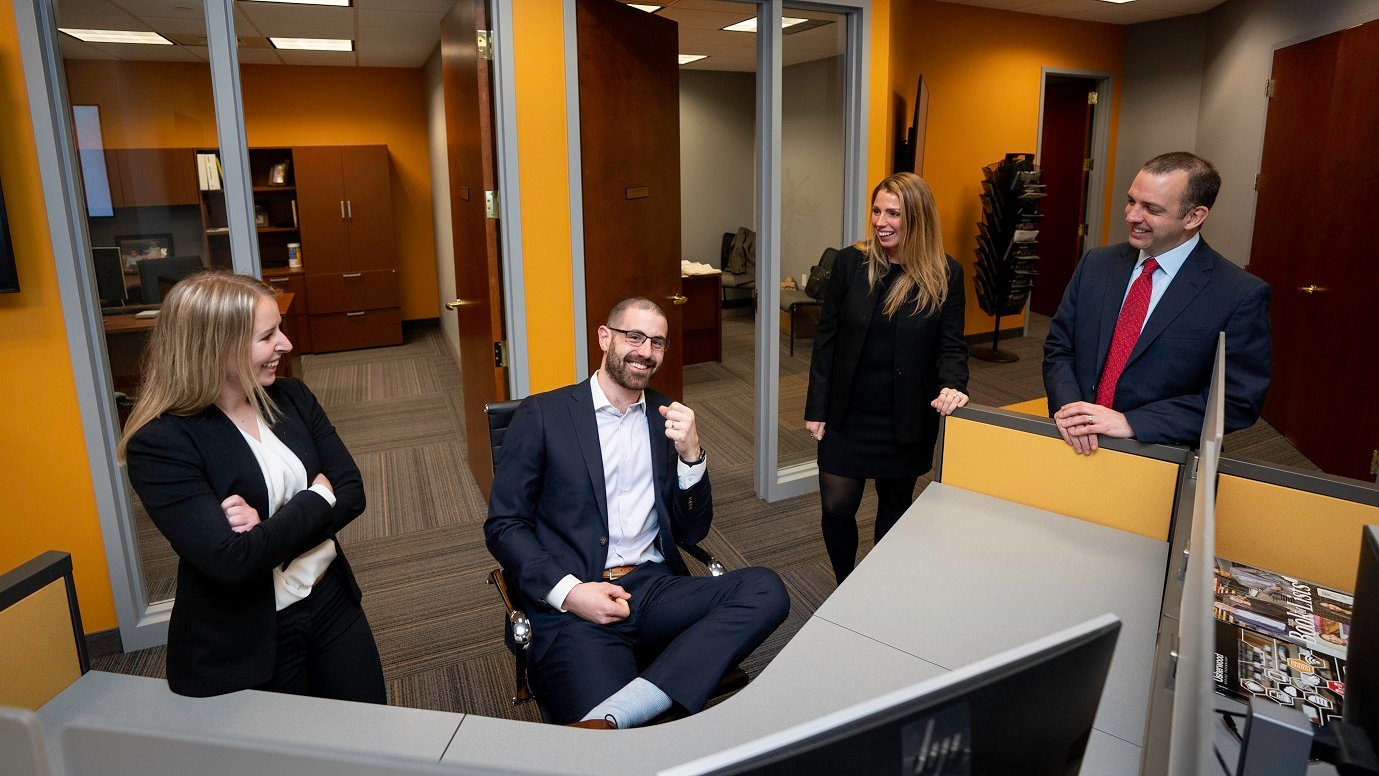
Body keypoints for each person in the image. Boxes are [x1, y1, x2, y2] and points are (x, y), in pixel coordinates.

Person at [485, 297, 789, 729]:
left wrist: (692, 457)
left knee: (766, 590)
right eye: (635, 337)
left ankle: (632, 706)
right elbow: (504, 527)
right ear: (604, 338)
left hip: (654, 590)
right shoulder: (544, 414)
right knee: (611, 752)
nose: (646, 351)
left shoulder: (665, 417)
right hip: (578, 606)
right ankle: (645, 705)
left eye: (658, 343)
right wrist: (570, 592)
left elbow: (692, 530)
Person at [118, 271, 385, 702]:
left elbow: (352, 490)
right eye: (268, 336)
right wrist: (316, 498)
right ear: (216, 348)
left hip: (330, 598)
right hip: (251, 633)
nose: (286, 344)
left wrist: (267, 533)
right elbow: (232, 562)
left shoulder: (292, 396)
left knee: (374, 739)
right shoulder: (161, 442)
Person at [1043, 152, 1271, 452]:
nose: (1131, 216)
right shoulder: (1096, 264)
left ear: (1194, 217)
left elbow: (1237, 400)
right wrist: (1072, 410)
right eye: (1131, 201)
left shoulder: (1239, 294)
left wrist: (1133, 422)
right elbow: (1060, 348)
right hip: (1073, 442)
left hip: (1160, 454)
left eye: (1150, 208)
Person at [804, 172, 970, 585]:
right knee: (836, 508)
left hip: (906, 419)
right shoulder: (849, 263)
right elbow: (826, 340)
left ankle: (877, 588)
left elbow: (951, 344)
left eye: (893, 213)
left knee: (894, 508)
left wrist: (954, 384)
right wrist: (817, 406)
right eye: (877, 210)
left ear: (917, 218)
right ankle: (846, 582)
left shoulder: (945, 274)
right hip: (848, 416)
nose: (881, 221)